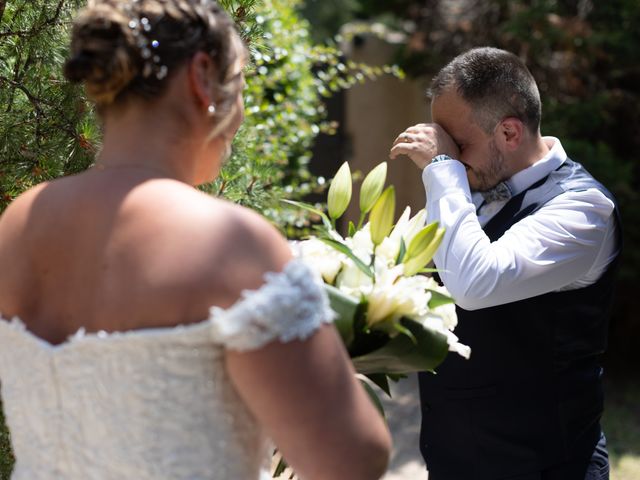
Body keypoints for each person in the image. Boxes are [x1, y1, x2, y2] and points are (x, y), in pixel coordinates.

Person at [0, 1, 391, 479]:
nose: (241, 112)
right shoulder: (229, 242)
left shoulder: (18, 223)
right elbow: (354, 459)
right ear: (202, 76)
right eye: (242, 84)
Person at [390, 47, 620, 480]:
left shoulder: (585, 208)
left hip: (548, 467)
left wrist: (442, 168)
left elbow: (477, 283)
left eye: (457, 144)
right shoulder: (470, 187)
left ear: (510, 133)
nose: (451, 156)